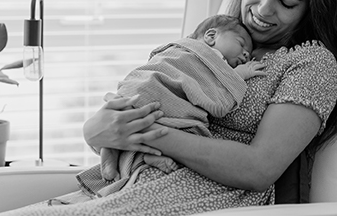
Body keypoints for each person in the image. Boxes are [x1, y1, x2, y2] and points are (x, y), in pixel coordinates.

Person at [0, 0, 337, 216]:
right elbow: (142, 95)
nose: (263, 10)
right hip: (131, 178)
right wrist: (96, 129)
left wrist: (152, 134)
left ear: (313, 8)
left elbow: (258, 169)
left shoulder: (312, 64)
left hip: (208, 195)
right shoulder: (215, 38)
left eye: (287, 3)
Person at [99, 14, 266, 183]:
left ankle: (139, 154)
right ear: (211, 36)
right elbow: (221, 88)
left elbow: (210, 84)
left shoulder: (218, 65)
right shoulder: (202, 54)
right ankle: (113, 151)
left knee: (172, 130)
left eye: (249, 53)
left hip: (152, 98)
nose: (246, 54)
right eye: (241, 43)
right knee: (137, 118)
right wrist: (240, 75)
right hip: (151, 83)